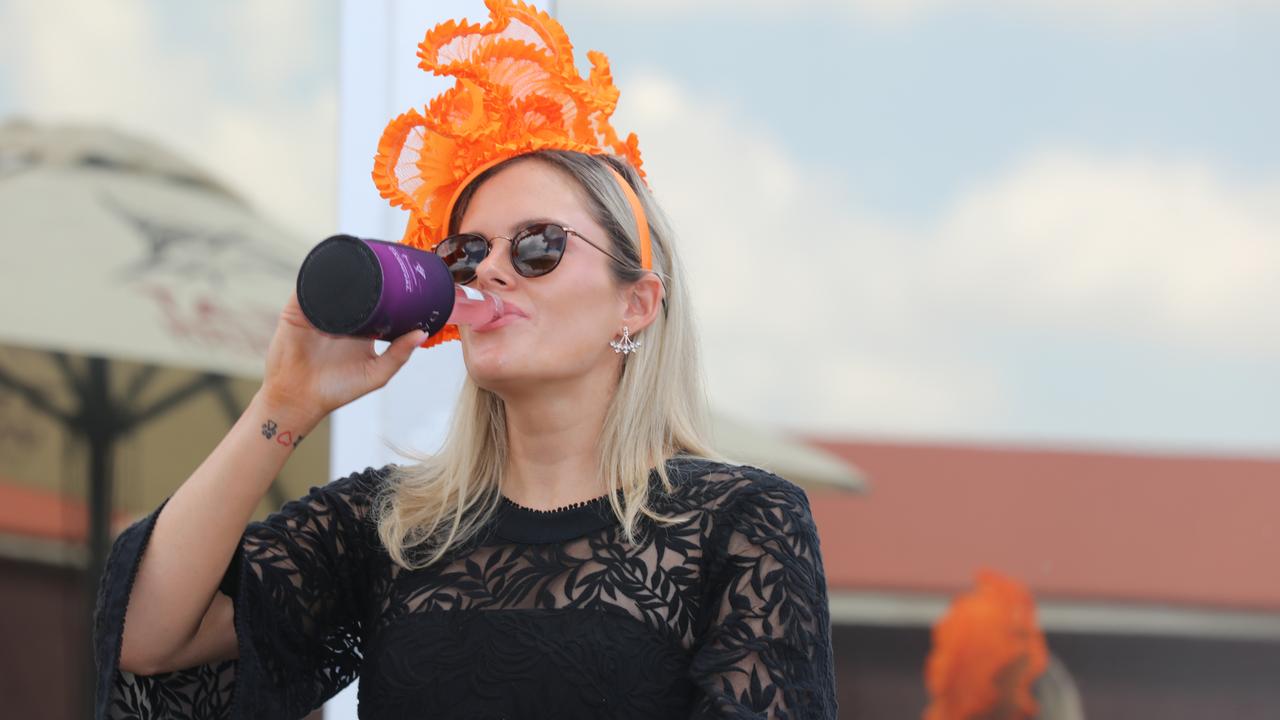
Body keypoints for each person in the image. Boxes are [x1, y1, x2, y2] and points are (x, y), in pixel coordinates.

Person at [92, 2, 838, 718]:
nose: (489, 272)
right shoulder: (394, 526)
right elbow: (147, 638)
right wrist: (282, 408)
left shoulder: (738, 522)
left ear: (636, 304)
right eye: (466, 253)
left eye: (539, 245)